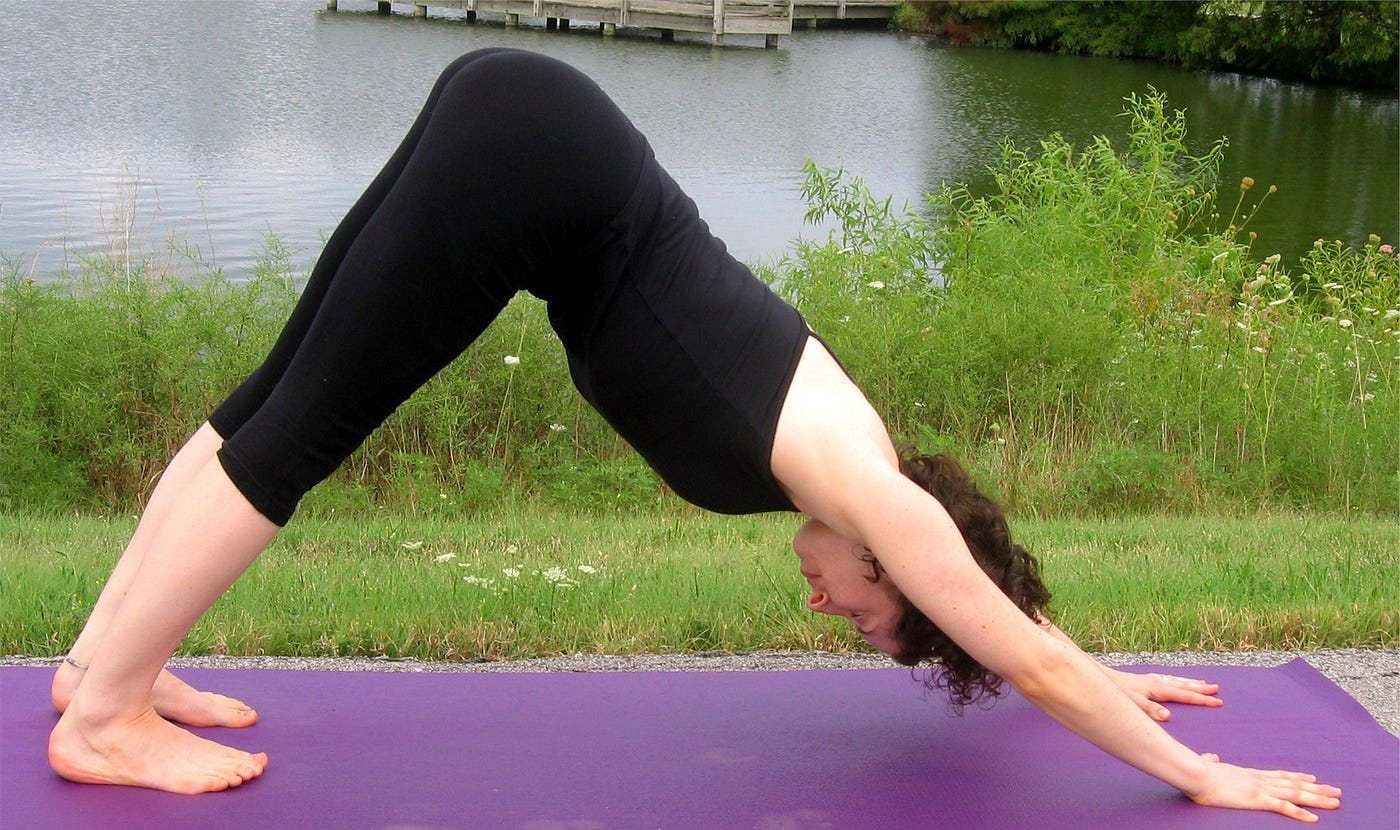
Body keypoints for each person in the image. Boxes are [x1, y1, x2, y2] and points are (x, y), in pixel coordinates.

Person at [47, 49, 1340, 821]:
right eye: (866, 620)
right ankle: (105, 719)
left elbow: (1001, 618)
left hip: (528, 127)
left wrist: (1106, 668)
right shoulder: (873, 492)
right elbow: (1018, 649)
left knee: (273, 400)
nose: (830, 612)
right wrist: (1200, 773)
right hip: (532, 162)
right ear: (900, 567)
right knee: (299, 432)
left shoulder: (874, 476)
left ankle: (105, 662)